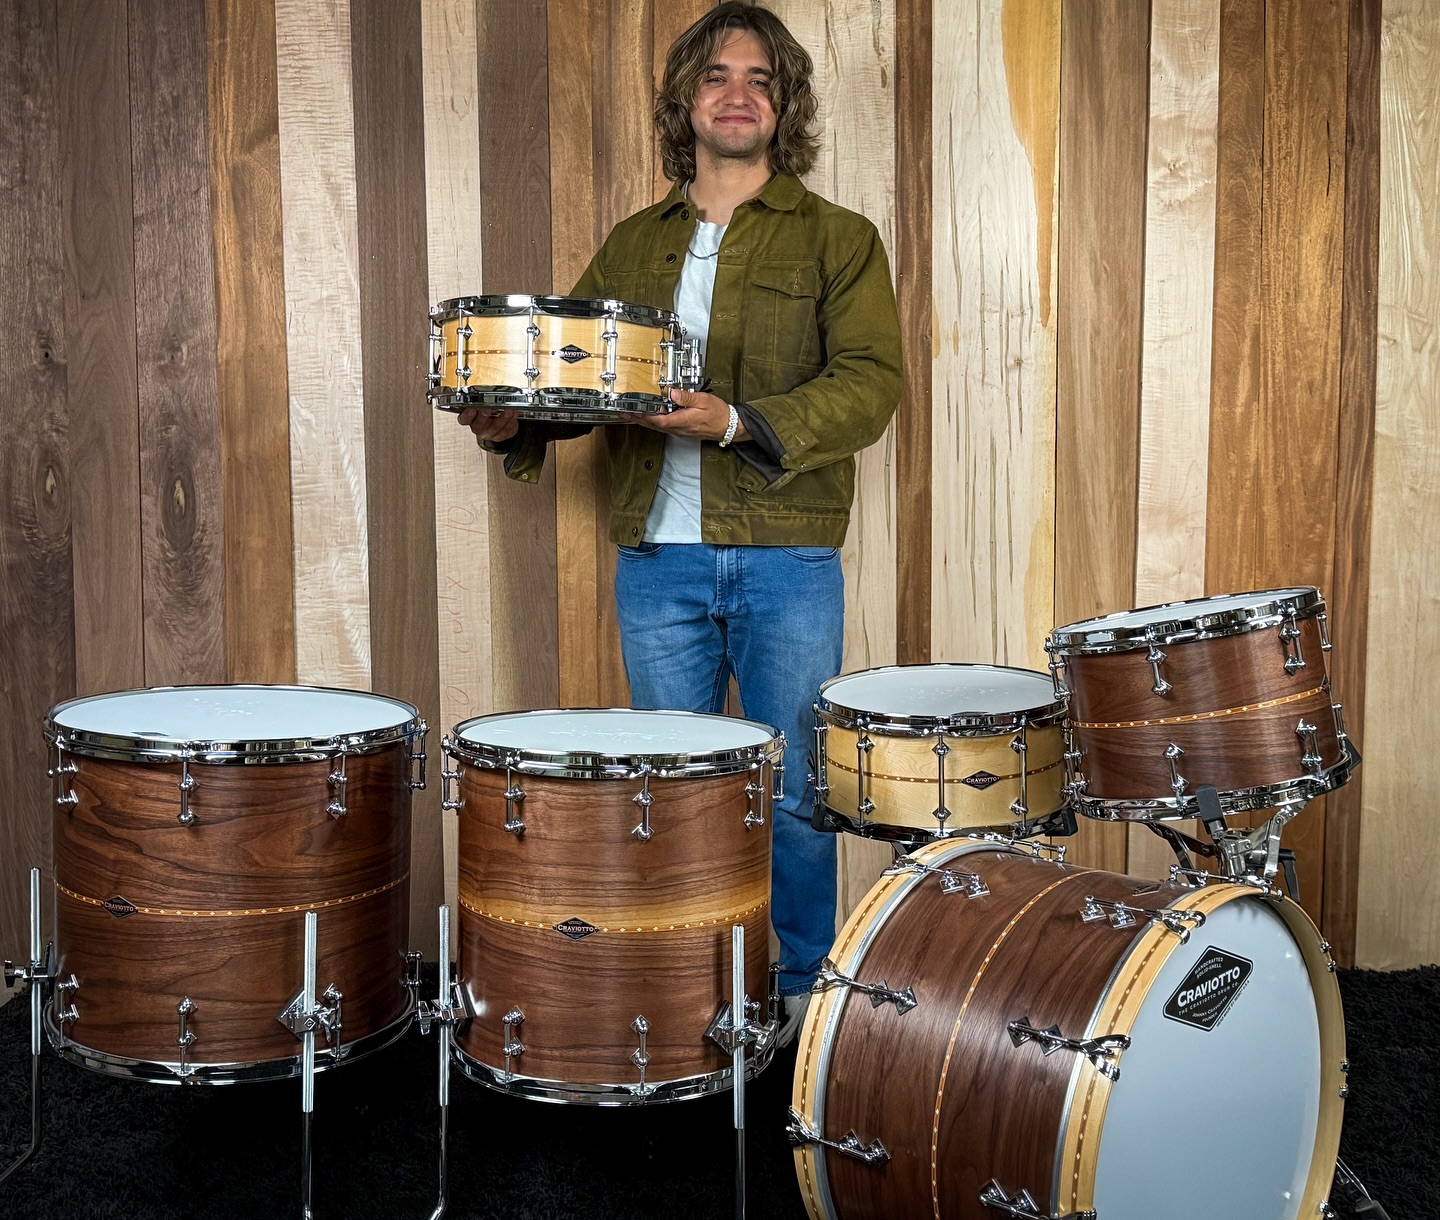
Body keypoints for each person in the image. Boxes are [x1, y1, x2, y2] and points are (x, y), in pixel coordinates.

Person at [459, 1, 902, 1042]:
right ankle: (690, 994)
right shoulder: (633, 244)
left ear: (783, 105)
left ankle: (798, 996)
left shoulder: (839, 239)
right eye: (716, 76)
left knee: (792, 790)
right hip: (658, 564)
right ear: (685, 103)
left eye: (760, 79)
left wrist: (736, 420)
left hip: (786, 556)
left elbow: (871, 384)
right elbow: (574, 374)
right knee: (673, 791)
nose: (738, 94)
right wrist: (514, 417)